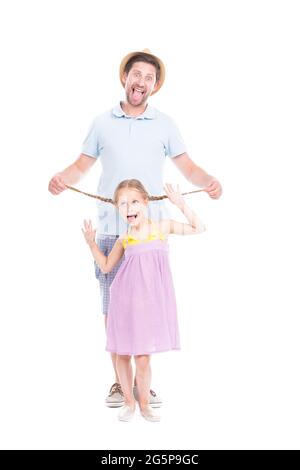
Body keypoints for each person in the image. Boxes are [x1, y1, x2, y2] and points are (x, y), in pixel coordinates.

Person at [48, 48, 222, 408]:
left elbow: (187, 167)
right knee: (114, 308)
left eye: (149, 77)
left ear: (155, 86)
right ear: (124, 78)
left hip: (150, 232)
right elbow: (81, 165)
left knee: (145, 307)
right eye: (136, 74)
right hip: (112, 229)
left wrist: (209, 182)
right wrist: (62, 178)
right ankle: (120, 384)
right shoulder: (101, 122)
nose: (141, 81)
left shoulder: (165, 124)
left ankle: (144, 384)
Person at [81, 179, 206, 421]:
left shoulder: (163, 227)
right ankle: (129, 403)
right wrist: (91, 244)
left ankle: (145, 404)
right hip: (123, 305)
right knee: (123, 355)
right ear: (118, 209)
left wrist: (181, 204)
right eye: (123, 204)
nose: (129, 208)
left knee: (143, 358)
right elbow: (106, 267)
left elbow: (198, 227)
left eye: (134, 202)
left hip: (150, 308)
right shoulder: (124, 239)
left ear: (146, 203)